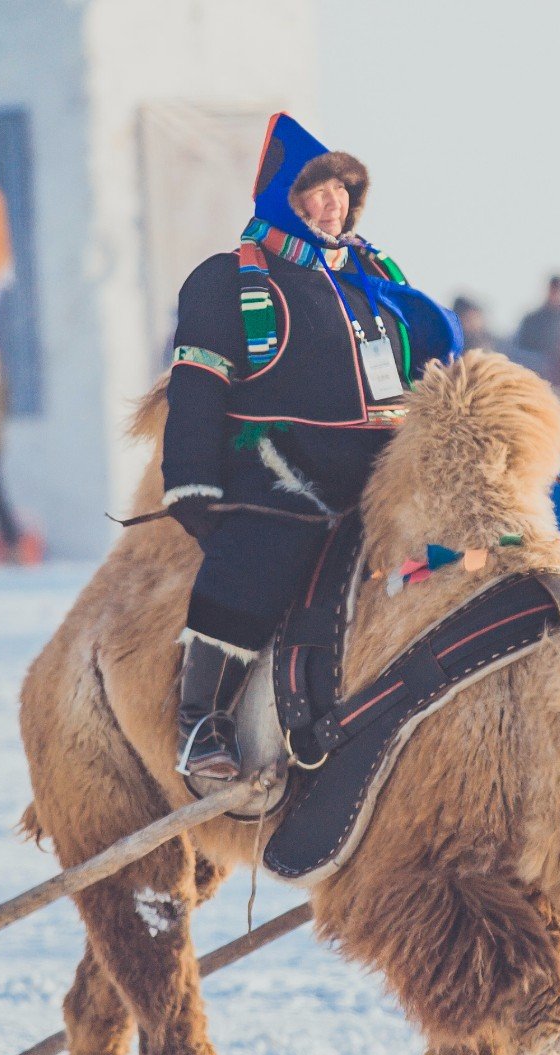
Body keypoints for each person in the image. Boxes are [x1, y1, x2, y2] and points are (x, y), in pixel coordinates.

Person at [159, 113, 459, 784]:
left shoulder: (375, 274)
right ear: (280, 199)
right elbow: (197, 387)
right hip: (280, 468)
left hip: (386, 469)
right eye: (316, 192)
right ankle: (201, 718)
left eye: (343, 192)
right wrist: (191, 482)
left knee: (472, 544)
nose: (332, 205)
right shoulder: (230, 279)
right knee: (264, 546)